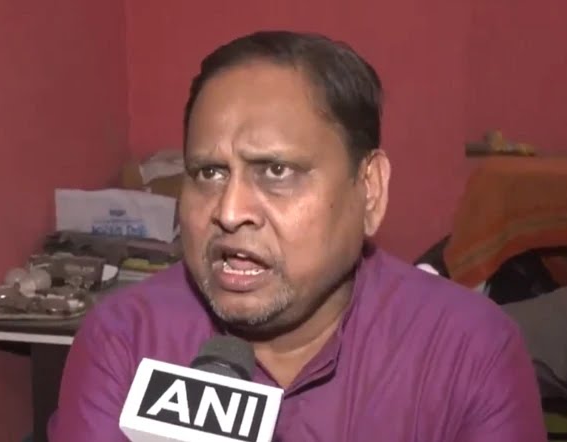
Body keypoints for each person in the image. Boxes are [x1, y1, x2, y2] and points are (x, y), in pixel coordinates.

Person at [47, 30, 546, 441]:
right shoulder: (124, 340)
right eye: (209, 173)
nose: (230, 212)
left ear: (369, 190)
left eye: (276, 171)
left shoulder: (469, 350)